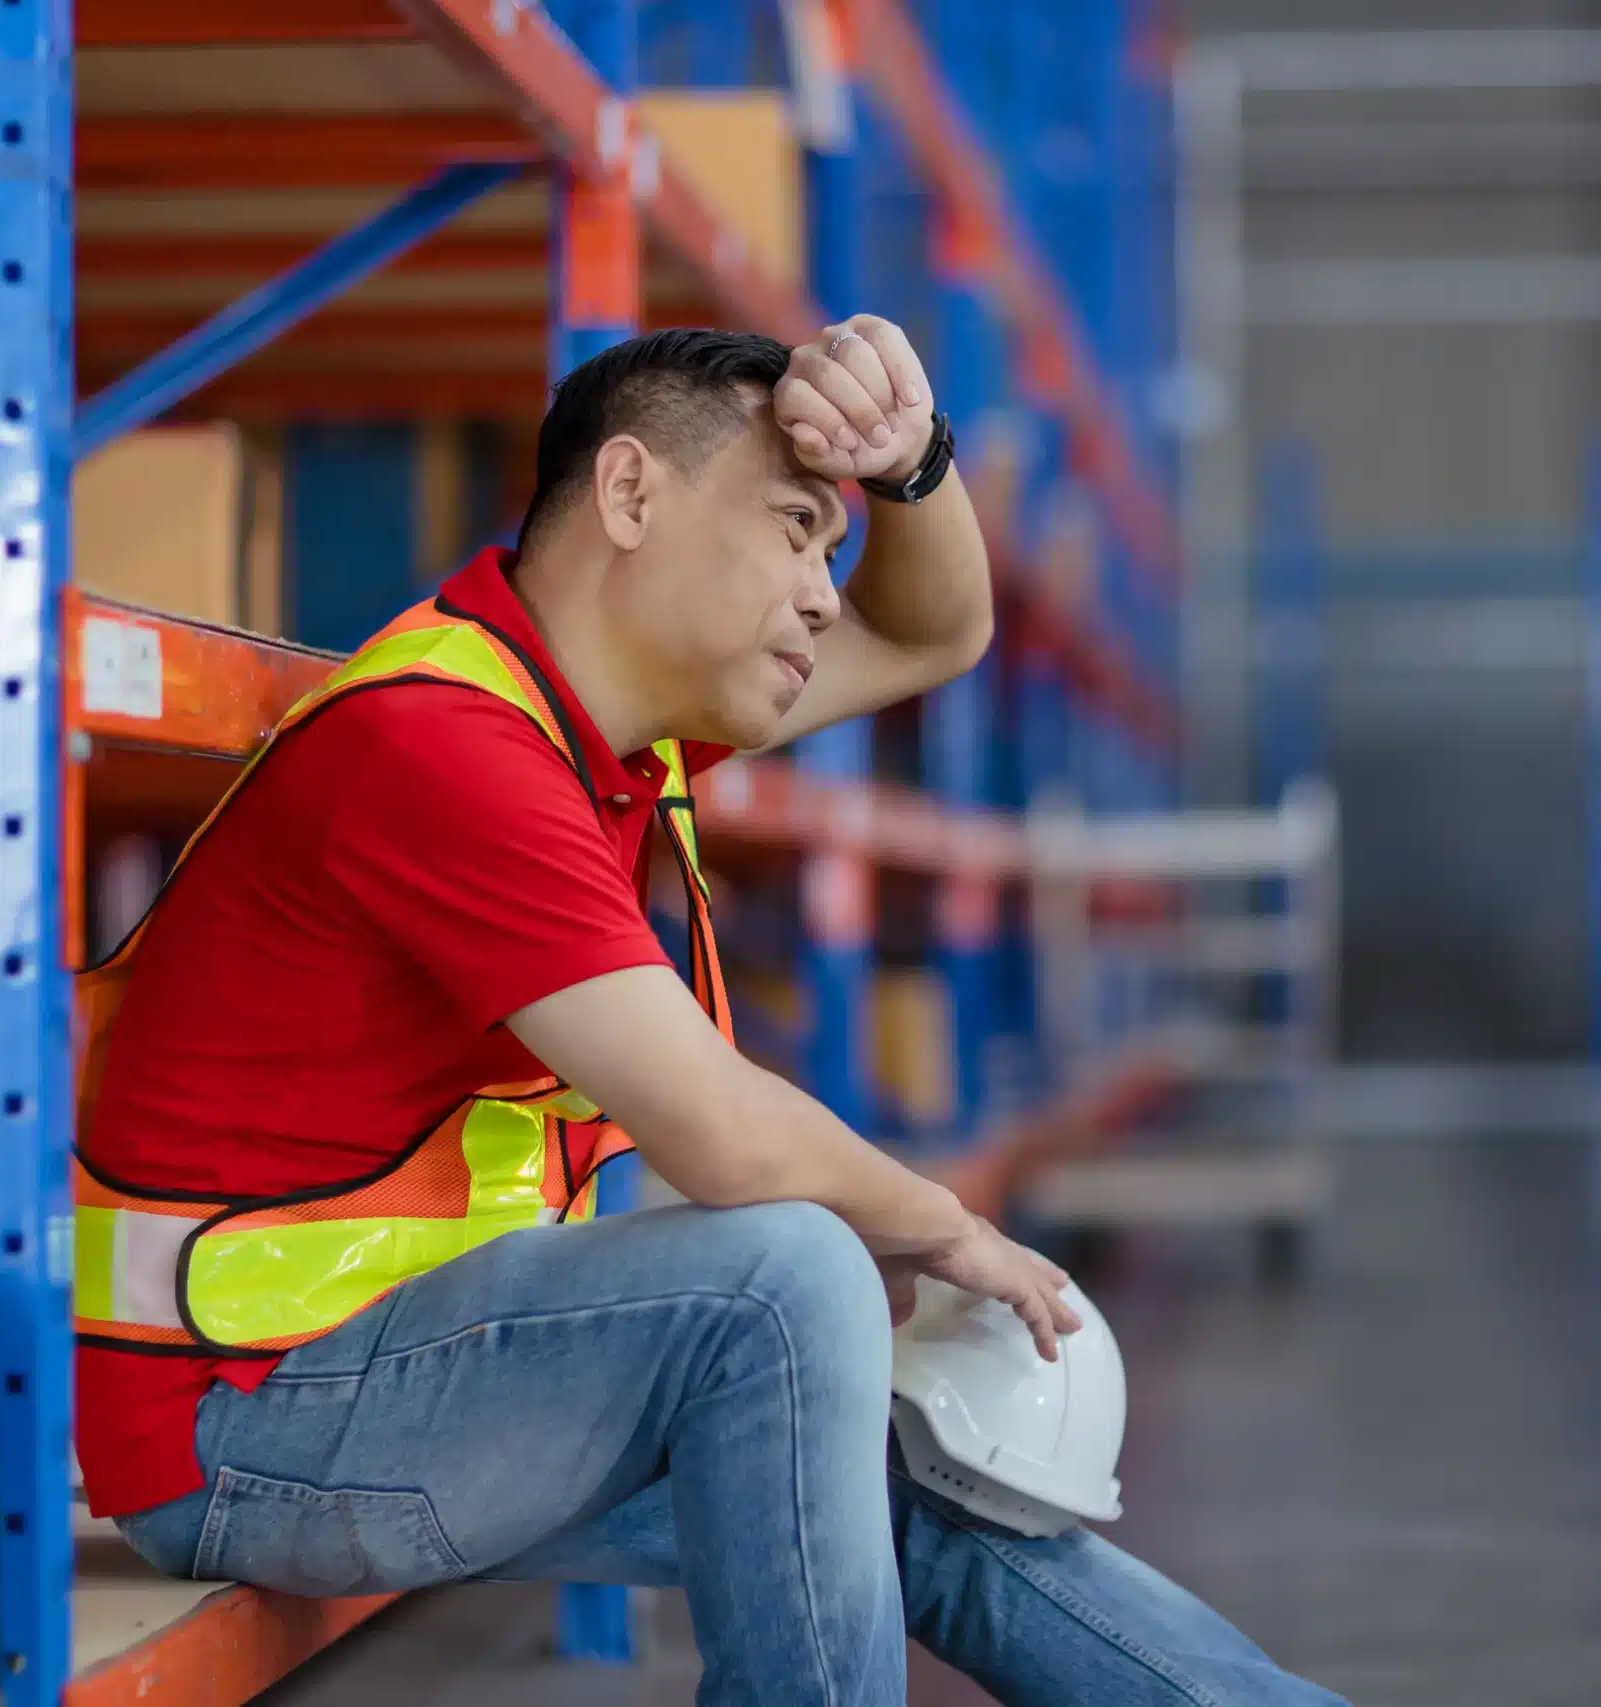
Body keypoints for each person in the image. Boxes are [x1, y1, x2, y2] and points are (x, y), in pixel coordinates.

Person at [72, 317, 1349, 1707]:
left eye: (830, 551)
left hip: (396, 1372)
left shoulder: (603, 742)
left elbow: (940, 631)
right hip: (246, 1424)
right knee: (785, 1275)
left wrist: (910, 460)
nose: (819, 593)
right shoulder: (439, 742)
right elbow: (723, 1143)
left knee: (907, 1492)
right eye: (797, 527)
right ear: (629, 495)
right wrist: (948, 1225)